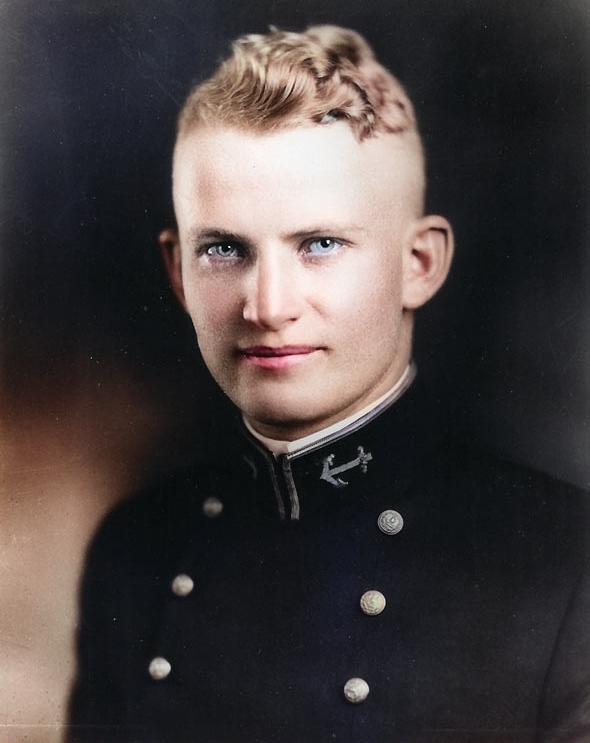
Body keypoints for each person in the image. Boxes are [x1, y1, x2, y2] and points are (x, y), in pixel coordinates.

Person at [67, 25, 589, 743]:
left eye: (320, 245)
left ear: (420, 264)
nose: (268, 305)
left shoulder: (564, 561)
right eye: (224, 249)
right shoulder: (136, 550)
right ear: (178, 271)